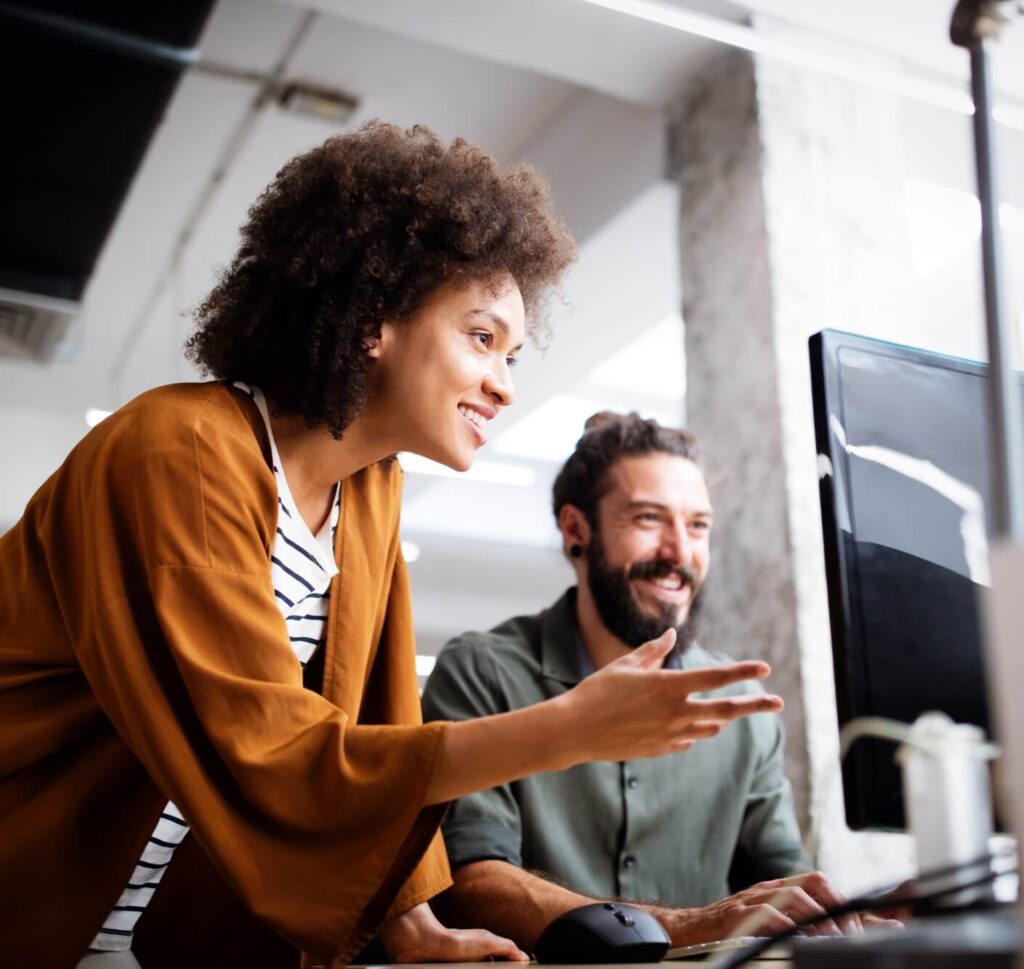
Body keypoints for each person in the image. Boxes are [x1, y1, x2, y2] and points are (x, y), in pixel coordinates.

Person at [0, 124, 785, 969]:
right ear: (374, 319)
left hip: (134, 929)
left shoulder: (368, 487)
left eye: (512, 352)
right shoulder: (177, 452)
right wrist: (566, 729)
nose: (505, 383)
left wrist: (419, 932)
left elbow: (372, 711)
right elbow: (271, 750)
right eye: (481, 338)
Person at [423, 411, 863, 950]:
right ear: (576, 531)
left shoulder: (741, 704)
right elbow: (467, 883)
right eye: (649, 519)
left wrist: (866, 919)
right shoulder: (483, 673)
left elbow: (781, 884)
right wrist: (682, 926)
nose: (681, 553)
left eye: (698, 525)